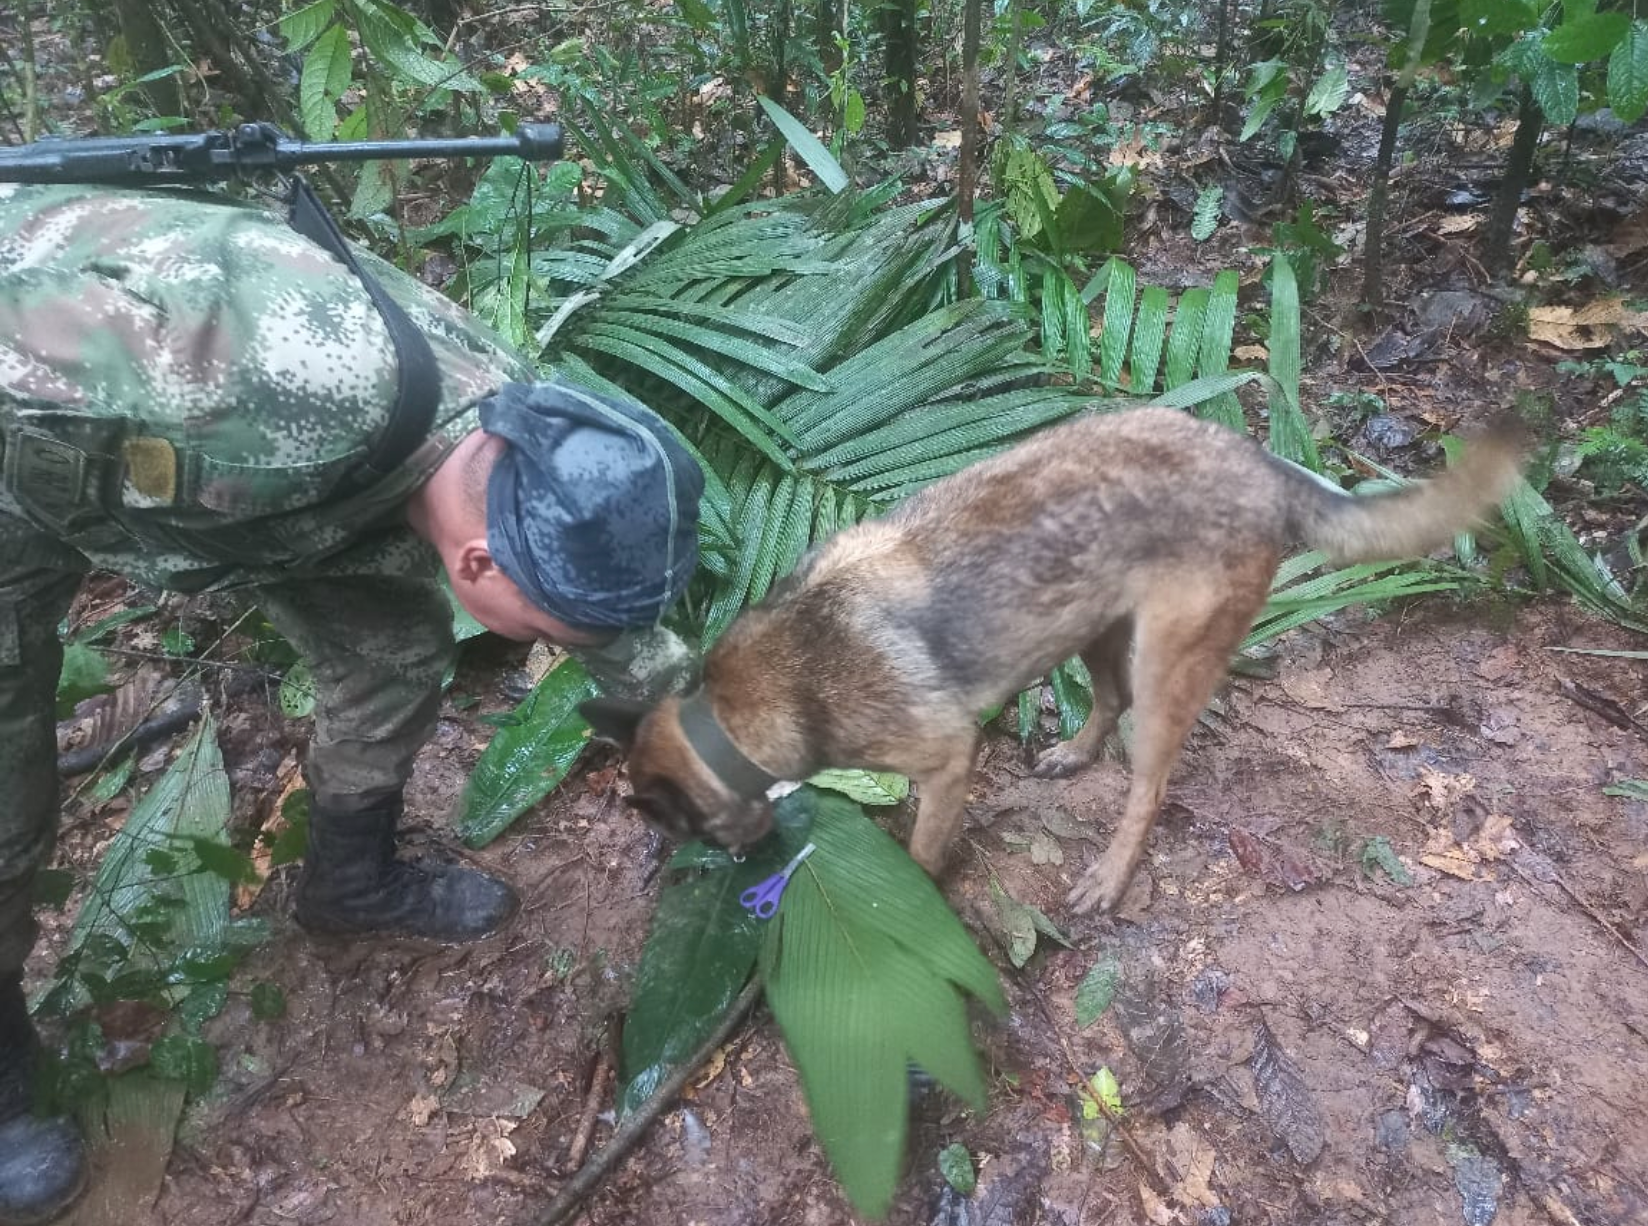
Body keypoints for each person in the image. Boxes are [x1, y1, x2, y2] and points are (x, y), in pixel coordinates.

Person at [0, 180, 704, 1225]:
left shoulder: (519, 434)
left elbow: (613, 618)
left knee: (390, 652)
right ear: (478, 558)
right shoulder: (254, 391)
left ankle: (349, 879)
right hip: (31, 455)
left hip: (269, 499)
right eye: (548, 634)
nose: (556, 650)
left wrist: (717, 758)